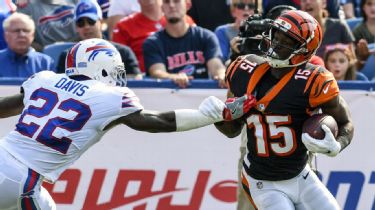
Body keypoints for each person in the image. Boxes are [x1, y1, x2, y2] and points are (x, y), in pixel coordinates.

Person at [0, 38, 256, 209]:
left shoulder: (45, 79)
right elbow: (158, 121)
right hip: (22, 179)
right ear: (100, 68)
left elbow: (4, 106)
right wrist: (209, 115)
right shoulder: (109, 96)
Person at [215, 10, 354, 209]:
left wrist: (337, 145)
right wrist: (218, 115)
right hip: (263, 181)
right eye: (276, 35)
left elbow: (345, 122)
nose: (276, 43)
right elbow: (231, 130)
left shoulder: (315, 81)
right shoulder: (244, 70)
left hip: (300, 174)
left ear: (304, 50)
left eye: (287, 41)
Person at [143, 0, 226, 88]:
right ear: (162, 7)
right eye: (167, 2)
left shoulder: (206, 36)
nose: (171, 5)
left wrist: (222, 75)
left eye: (176, 1)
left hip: (203, 96)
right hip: (169, 97)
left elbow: (216, 66)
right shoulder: (152, 43)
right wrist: (173, 77)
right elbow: (157, 72)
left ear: (188, 5)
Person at [56, 0, 142, 79]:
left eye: (91, 21)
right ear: (76, 28)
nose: (86, 27)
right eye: (80, 23)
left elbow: (136, 82)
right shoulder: (67, 57)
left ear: (100, 22)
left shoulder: (123, 52)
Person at [0, 12, 54, 79]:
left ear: (33, 35)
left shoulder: (45, 62)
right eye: (16, 31)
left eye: (26, 30)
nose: (22, 35)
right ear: (6, 35)